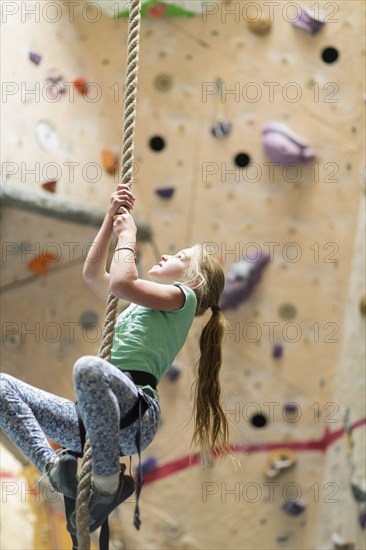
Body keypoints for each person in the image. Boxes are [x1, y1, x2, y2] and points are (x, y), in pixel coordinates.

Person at [0, 184, 229, 530]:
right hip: (96, 420)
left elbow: (122, 282)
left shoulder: (185, 299)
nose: (166, 256)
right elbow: (93, 275)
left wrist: (129, 236)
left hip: (135, 412)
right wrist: (110, 220)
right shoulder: (140, 307)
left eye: (179, 257)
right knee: (2, 387)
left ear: (193, 280)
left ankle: (106, 482)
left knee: (89, 368)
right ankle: (54, 471)